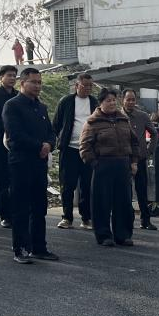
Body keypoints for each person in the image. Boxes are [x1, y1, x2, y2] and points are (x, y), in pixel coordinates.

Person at [3, 67, 56, 263]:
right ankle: (20, 248)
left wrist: (49, 144)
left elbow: (51, 132)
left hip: (39, 163)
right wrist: (39, 146)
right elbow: (15, 135)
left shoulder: (41, 107)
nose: (37, 86)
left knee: (39, 207)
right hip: (21, 163)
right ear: (22, 83)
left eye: (39, 82)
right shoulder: (12, 105)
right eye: (33, 82)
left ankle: (39, 247)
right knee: (21, 208)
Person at [80, 88, 141, 247]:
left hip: (123, 165)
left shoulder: (123, 120)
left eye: (114, 100)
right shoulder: (92, 122)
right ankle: (104, 235)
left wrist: (134, 161)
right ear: (101, 103)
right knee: (102, 202)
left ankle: (123, 235)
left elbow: (134, 142)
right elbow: (85, 147)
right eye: (108, 100)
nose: (112, 103)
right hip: (103, 165)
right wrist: (94, 163)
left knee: (124, 202)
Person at [54, 74, 98, 229]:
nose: (88, 88)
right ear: (77, 85)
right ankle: (67, 217)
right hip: (69, 149)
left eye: (91, 86)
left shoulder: (94, 102)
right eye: (85, 85)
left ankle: (86, 218)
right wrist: (60, 140)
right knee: (67, 185)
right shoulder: (66, 101)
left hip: (88, 150)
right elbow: (56, 124)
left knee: (87, 185)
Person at [121, 90, 156, 231]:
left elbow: (154, 133)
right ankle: (127, 219)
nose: (131, 102)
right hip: (123, 159)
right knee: (125, 190)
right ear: (122, 100)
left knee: (142, 190)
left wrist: (149, 151)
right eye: (128, 99)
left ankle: (145, 220)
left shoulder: (142, 116)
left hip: (140, 158)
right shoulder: (117, 116)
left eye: (133, 99)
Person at [0, 65, 18, 224]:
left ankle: (15, 211)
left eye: (14, 75)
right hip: (0, 144)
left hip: (16, 144)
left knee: (16, 179)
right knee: (3, 180)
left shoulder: (18, 95)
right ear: (1, 77)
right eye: (9, 75)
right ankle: (5, 215)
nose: (12, 78)